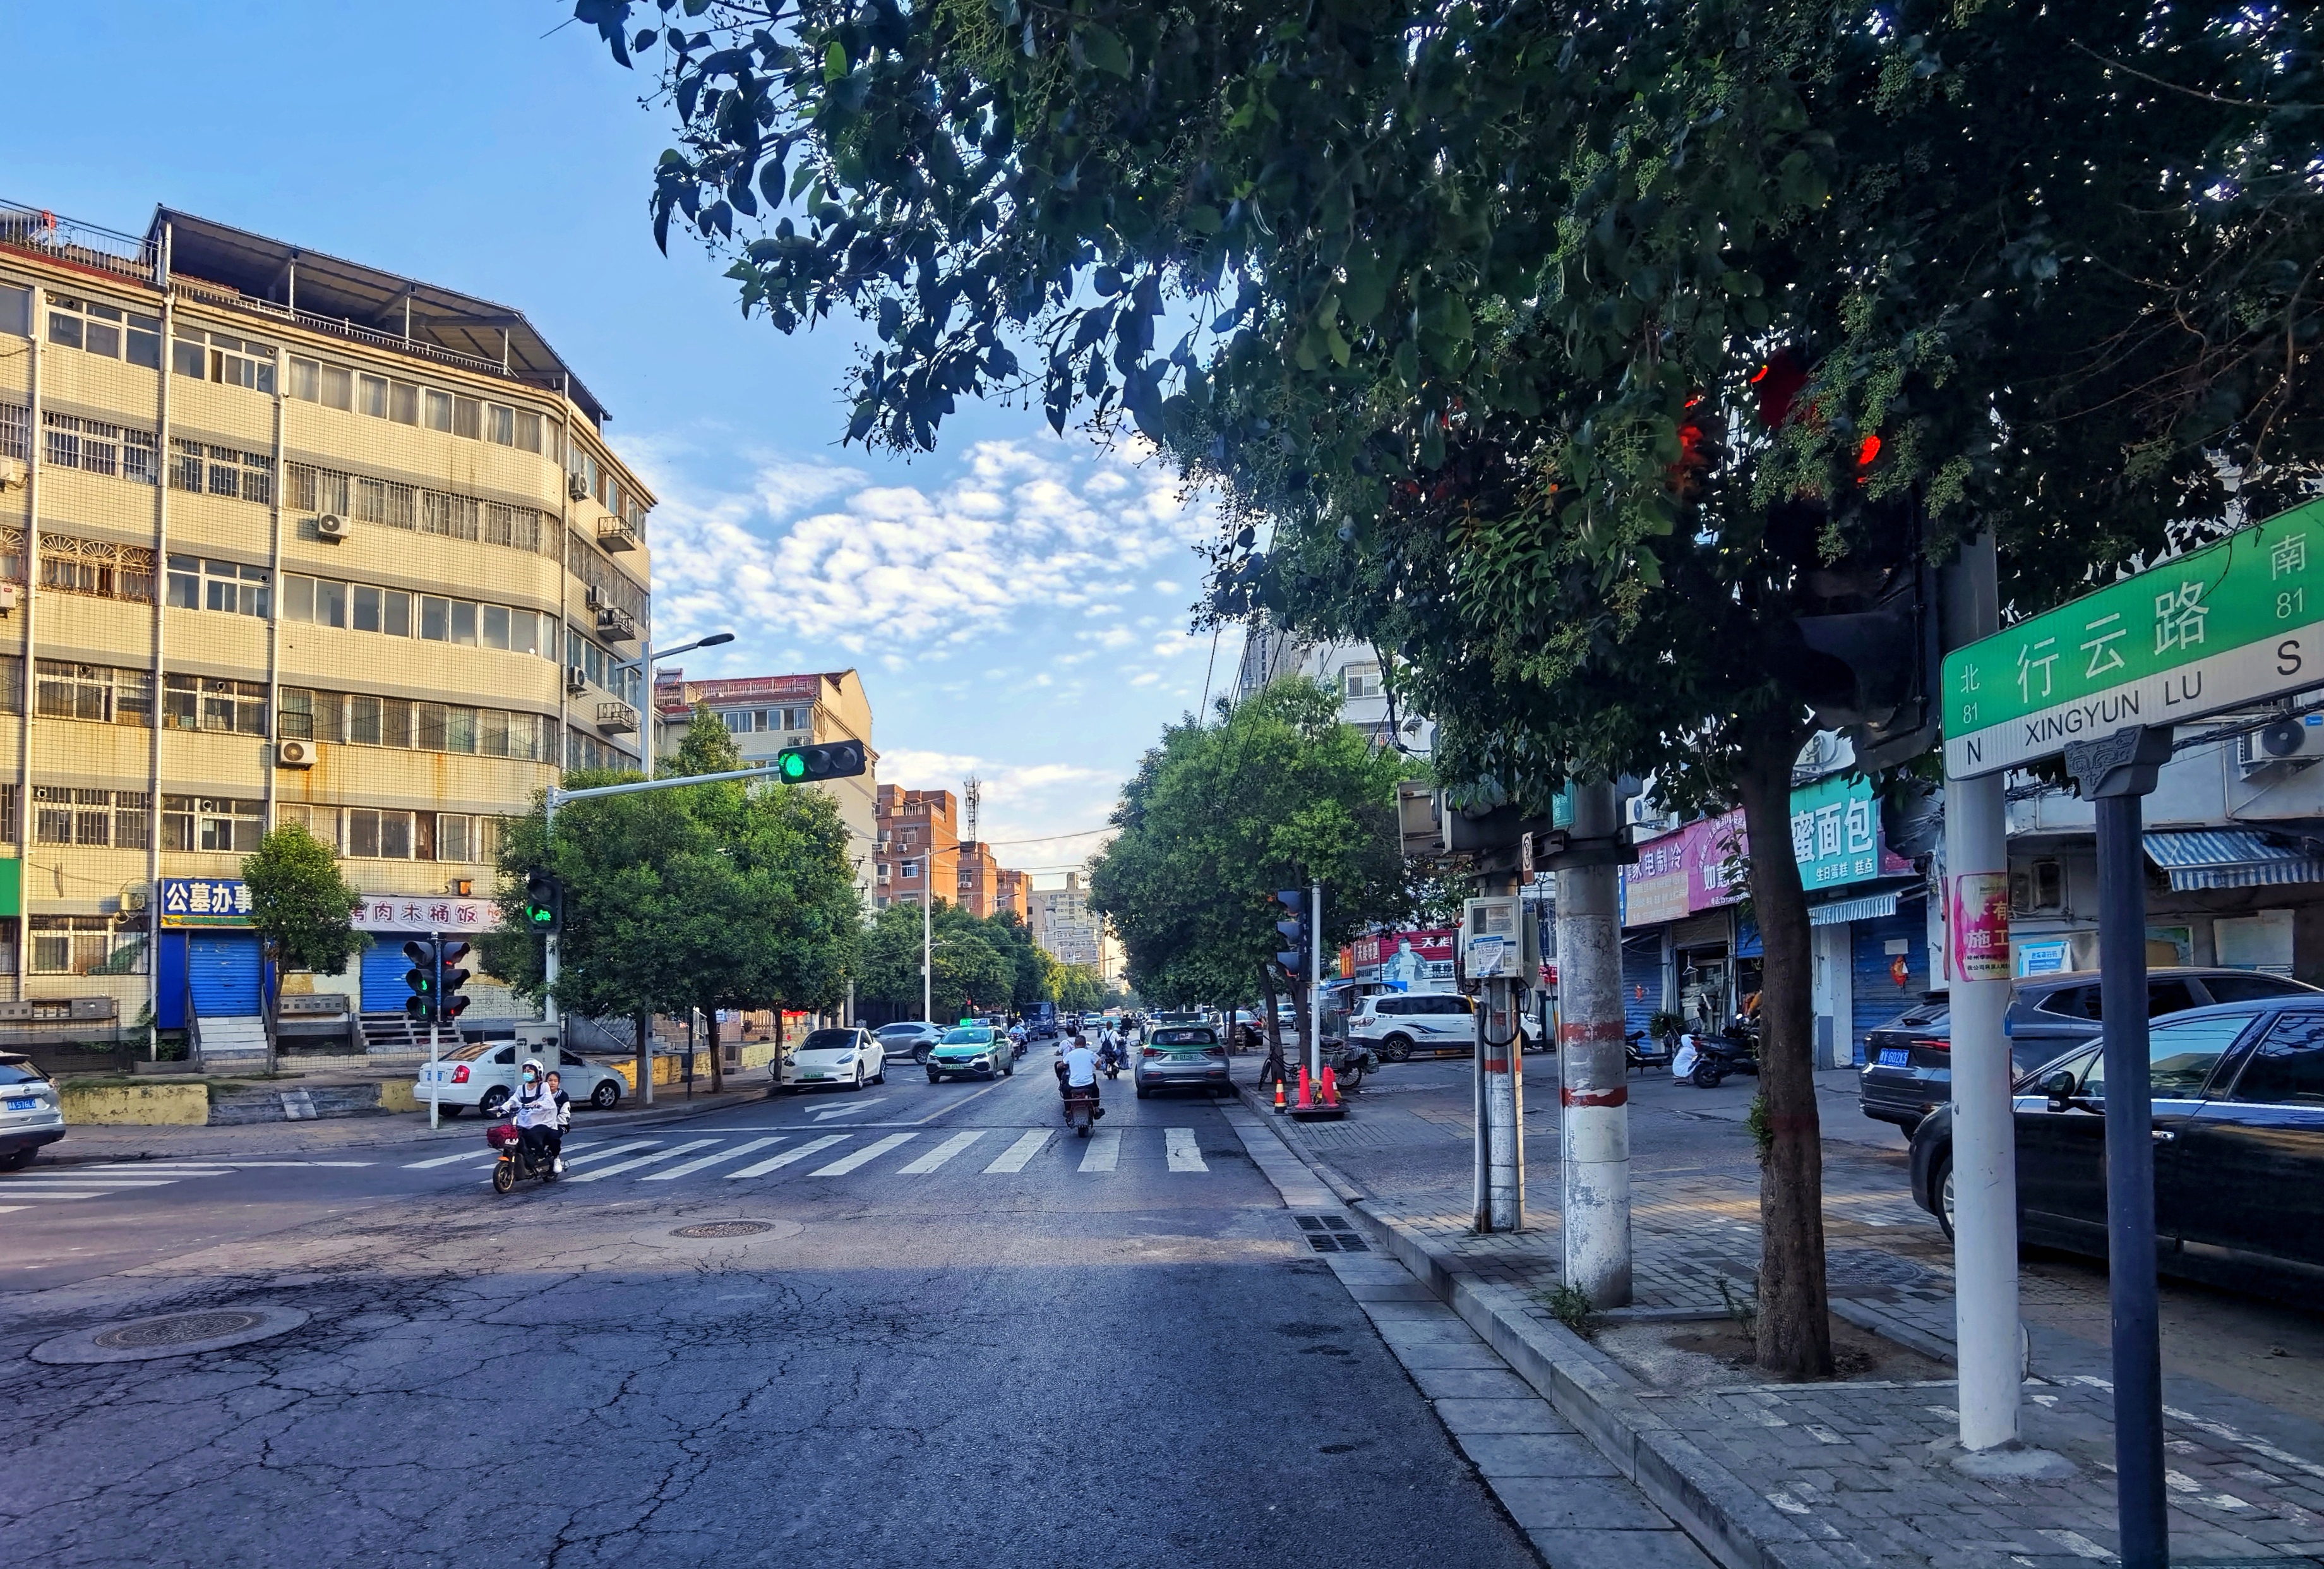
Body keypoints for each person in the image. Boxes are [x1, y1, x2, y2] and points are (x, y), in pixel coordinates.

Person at [507, 1059, 563, 1175]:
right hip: (526, 1121)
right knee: (515, 1135)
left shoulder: (543, 1087)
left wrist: (538, 1103)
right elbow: (513, 1100)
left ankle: (556, 1159)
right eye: (525, 1071)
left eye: (530, 1071)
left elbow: (548, 1101)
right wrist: (501, 1107)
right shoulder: (520, 1089)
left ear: (538, 1073)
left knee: (543, 1136)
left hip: (544, 1122)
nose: (527, 1073)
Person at [1059, 1030, 1103, 1117]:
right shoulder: (1090, 1054)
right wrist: (1098, 1064)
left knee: (1065, 1090)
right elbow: (1098, 1066)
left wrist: (1059, 1066)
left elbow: (1061, 1064)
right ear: (1085, 1044)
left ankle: (1068, 1111)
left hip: (1073, 1085)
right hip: (1089, 1084)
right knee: (1096, 1089)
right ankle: (1096, 1108)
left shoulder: (1070, 1054)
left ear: (1075, 1045)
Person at [542, 1069, 573, 1175]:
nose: (552, 1083)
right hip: (543, 1124)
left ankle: (556, 1158)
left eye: (555, 1081)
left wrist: (552, 1123)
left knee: (552, 1136)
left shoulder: (562, 1096)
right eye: (550, 1080)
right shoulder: (542, 1094)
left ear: (558, 1083)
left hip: (560, 1125)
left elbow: (565, 1115)